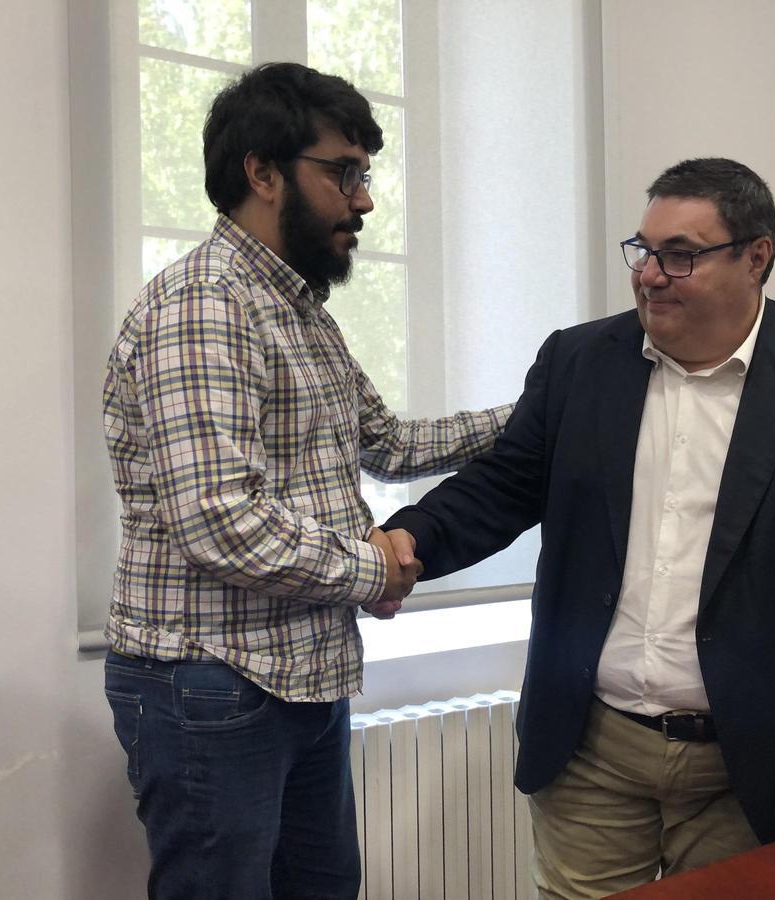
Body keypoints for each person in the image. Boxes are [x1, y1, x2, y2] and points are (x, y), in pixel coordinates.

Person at [384, 158, 775, 898]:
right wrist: (411, 542)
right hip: (593, 748)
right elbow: (506, 484)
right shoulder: (580, 360)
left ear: (757, 256)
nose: (649, 274)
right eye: (642, 251)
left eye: (679, 255)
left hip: (756, 760)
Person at [101, 62, 512, 899]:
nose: (364, 200)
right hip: (210, 683)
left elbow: (387, 441)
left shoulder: (297, 311)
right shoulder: (204, 307)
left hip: (301, 671)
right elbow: (222, 521)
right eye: (344, 171)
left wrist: (536, 413)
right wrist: (376, 569)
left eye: (366, 173)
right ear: (262, 171)